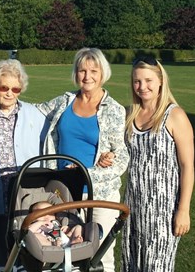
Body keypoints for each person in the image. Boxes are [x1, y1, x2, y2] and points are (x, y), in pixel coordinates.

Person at [35, 47, 129, 272]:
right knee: (65, 252)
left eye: (93, 70)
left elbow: (122, 156)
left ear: (103, 73)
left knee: (100, 258)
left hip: (99, 195)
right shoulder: (64, 101)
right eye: (82, 70)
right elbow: (33, 112)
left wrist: (86, 172)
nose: (87, 76)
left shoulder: (113, 109)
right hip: (63, 193)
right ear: (75, 73)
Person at [121, 57, 195, 272]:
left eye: (148, 80)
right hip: (133, 207)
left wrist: (183, 210)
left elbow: (187, 166)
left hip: (163, 210)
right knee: (132, 265)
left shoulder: (175, 116)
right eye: (137, 81)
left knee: (157, 267)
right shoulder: (129, 115)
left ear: (161, 81)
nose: (142, 87)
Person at [0, 59, 49, 267]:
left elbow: (51, 140)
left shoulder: (33, 113)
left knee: (27, 243)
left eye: (15, 88)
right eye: (4, 87)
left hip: (24, 190)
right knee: (0, 242)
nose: (9, 93)